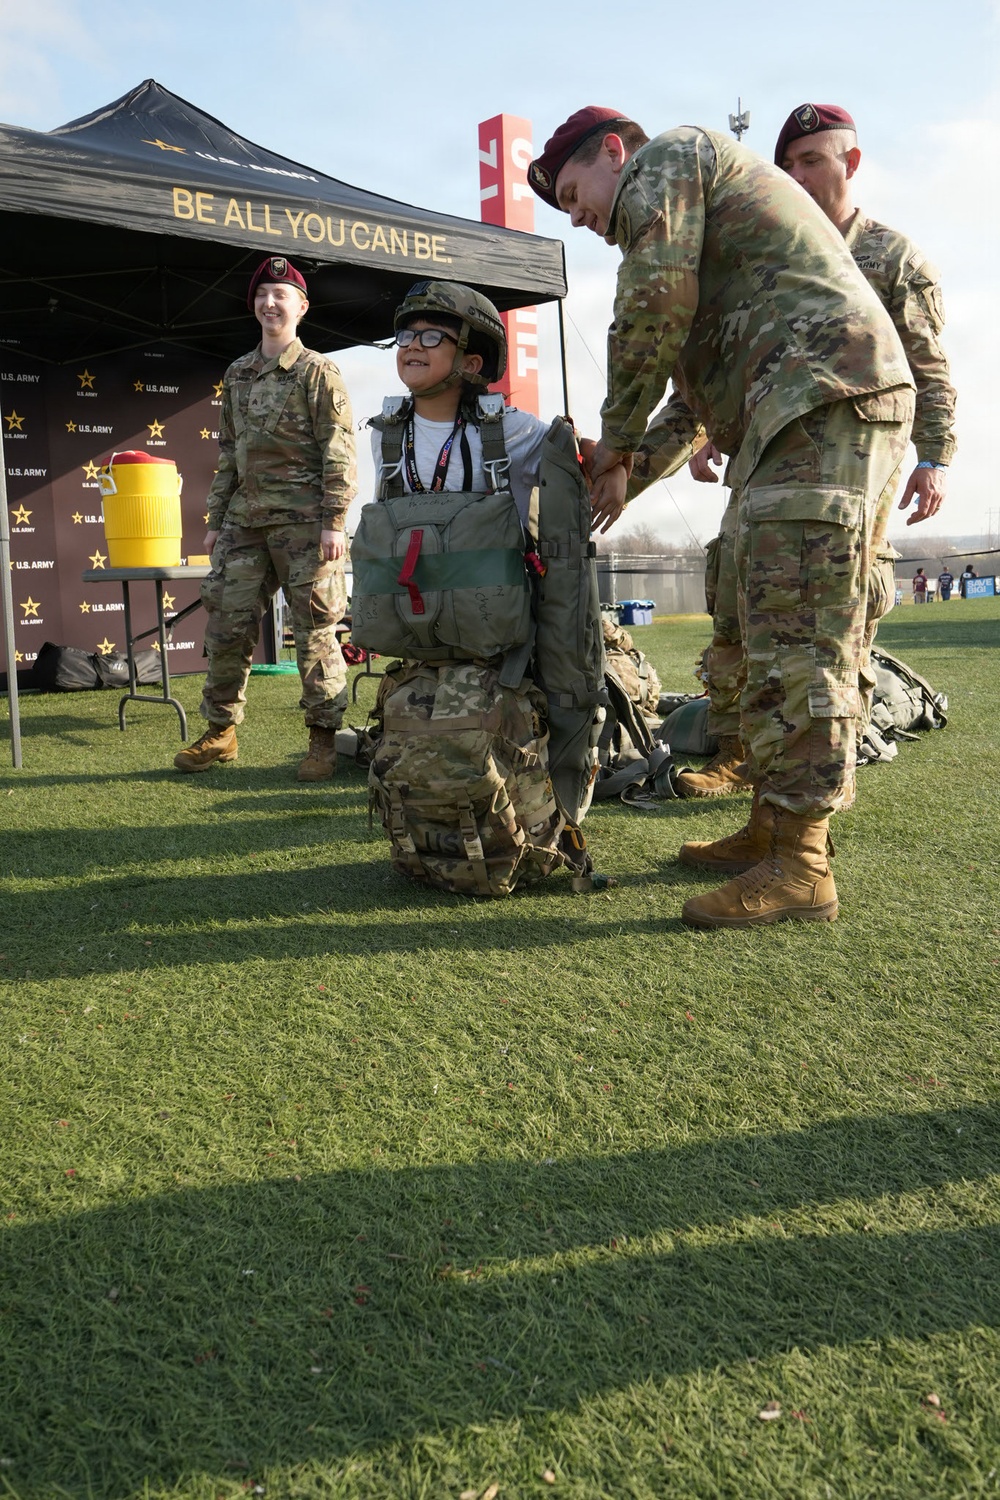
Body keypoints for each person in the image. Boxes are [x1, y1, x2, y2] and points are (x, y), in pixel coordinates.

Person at [529, 106, 914, 926]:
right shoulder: (702, 233)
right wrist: (619, 472)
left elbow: (649, 305)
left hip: (823, 403)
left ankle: (802, 868)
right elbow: (689, 407)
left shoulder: (666, 161)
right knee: (774, 631)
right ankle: (772, 827)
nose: (578, 216)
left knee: (801, 637)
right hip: (801, 410)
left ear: (613, 152)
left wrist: (618, 444)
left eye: (572, 192)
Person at [677, 103, 957, 797]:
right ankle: (738, 751)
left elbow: (929, 367)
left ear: (850, 163)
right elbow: (728, 353)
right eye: (789, 165)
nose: (799, 175)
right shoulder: (763, 259)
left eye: (812, 160)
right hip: (763, 452)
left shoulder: (890, 257)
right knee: (736, 593)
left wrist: (936, 457)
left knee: (828, 606)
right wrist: (698, 425)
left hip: (852, 460)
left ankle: (818, 762)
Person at [173, 256, 356, 779]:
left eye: (281, 295)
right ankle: (220, 733)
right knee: (227, 626)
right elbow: (230, 449)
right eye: (262, 295)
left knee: (316, 631)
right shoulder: (238, 373)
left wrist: (334, 520)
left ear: (301, 306)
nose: (269, 303)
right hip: (244, 522)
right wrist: (215, 518)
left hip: (305, 525)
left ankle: (323, 738)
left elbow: (338, 447)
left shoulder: (318, 370)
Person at [370, 280, 552, 520]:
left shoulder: (512, 429)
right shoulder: (387, 433)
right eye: (406, 336)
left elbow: (582, 458)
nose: (413, 346)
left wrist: (617, 469)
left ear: (470, 363)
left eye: (432, 336)